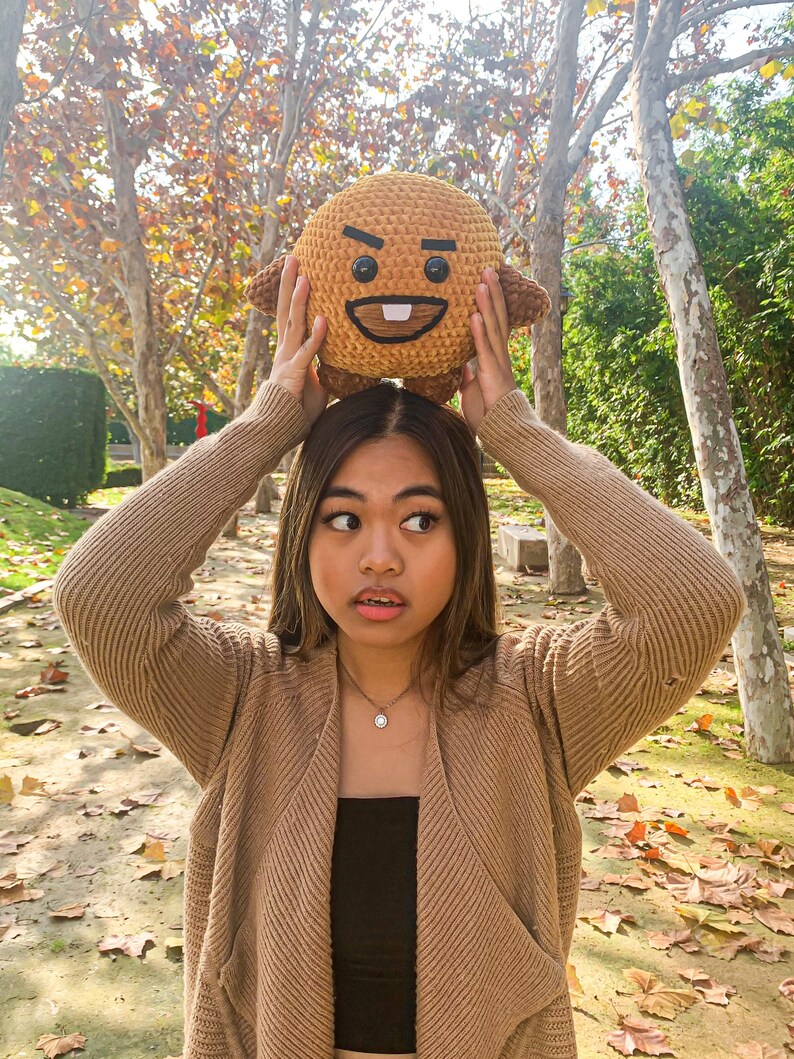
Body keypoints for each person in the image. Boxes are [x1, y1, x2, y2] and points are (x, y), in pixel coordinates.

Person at [53, 254, 747, 1059]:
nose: (380, 555)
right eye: (343, 520)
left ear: (466, 539)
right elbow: (99, 595)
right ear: (303, 534)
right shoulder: (242, 697)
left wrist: (515, 433)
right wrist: (270, 422)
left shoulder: (537, 699)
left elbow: (693, 602)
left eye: (421, 520)